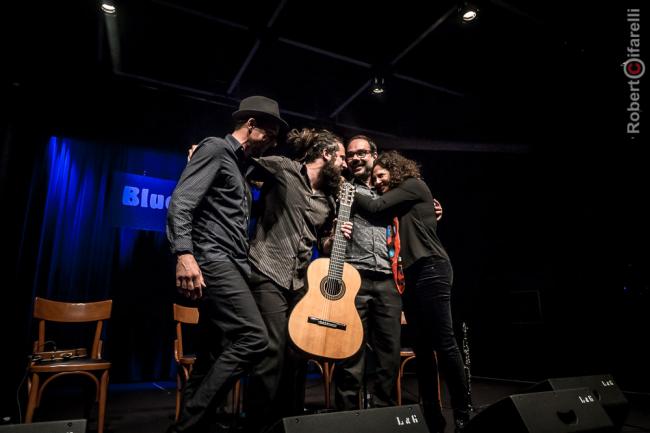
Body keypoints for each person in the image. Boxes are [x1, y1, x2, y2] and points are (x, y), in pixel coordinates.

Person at [166, 95, 288, 433]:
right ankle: (188, 425)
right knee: (253, 337)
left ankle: (191, 425)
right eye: (271, 133)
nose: (274, 140)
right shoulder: (215, 149)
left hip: (233, 262)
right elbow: (183, 200)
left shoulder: (238, 164)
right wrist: (184, 254)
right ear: (251, 125)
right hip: (213, 257)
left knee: (211, 353)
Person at [352, 151, 470, 433]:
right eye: (375, 178)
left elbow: (376, 207)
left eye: (382, 175)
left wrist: (347, 189)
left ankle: (464, 411)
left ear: (396, 170)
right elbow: (378, 216)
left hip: (432, 268)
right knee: (422, 348)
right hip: (412, 275)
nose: (378, 181)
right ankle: (432, 414)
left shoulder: (413, 185)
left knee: (444, 342)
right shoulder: (400, 202)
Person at [243, 127, 351, 433]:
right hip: (267, 269)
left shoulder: (329, 200)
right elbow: (244, 163)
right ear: (326, 153)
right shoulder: (285, 168)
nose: (344, 164)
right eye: (341, 157)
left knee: (297, 351)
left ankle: (290, 422)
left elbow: (325, 245)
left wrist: (337, 237)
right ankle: (260, 425)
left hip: (300, 280)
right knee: (272, 351)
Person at [334, 136, 443, 410]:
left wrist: (434, 211)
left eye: (362, 153)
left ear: (374, 155)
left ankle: (382, 415)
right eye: (350, 155)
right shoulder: (342, 190)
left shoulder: (393, 192)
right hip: (353, 279)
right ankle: (346, 418)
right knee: (350, 355)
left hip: (389, 281)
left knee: (388, 357)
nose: (356, 158)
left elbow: (420, 219)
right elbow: (324, 228)